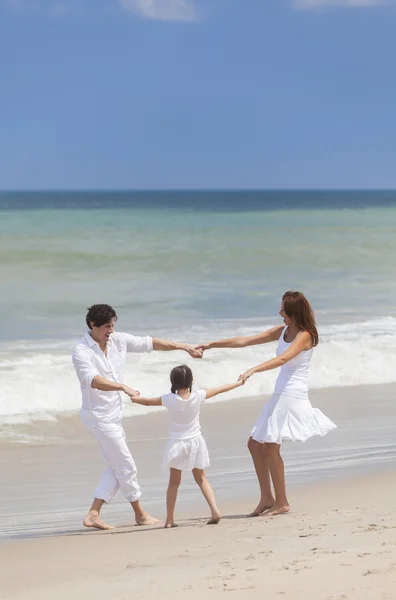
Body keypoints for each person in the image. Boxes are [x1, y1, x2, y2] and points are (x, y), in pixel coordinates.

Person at [197, 291, 336, 517]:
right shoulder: (283, 331)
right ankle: (267, 498)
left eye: (283, 308)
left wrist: (254, 369)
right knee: (255, 444)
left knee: (270, 446)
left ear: (292, 311)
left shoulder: (305, 335)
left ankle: (282, 502)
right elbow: (246, 340)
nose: (279, 312)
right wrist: (212, 344)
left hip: (293, 394)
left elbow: (283, 359)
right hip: (280, 392)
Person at [72, 304, 203, 531]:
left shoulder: (118, 340)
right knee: (127, 466)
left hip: (114, 416)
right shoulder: (81, 351)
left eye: (113, 325)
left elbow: (150, 343)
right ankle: (140, 514)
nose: (110, 331)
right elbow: (93, 380)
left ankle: (94, 513)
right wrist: (122, 386)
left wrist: (185, 347)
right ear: (92, 325)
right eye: (106, 327)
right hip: (98, 417)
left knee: (117, 465)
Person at [131, 364, 244, 528]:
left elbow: (148, 402)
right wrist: (239, 383)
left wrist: (134, 397)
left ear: (173, 382)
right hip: (195, 442)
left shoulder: (169, 399)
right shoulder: (198, 396)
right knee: (201, 478)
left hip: (177, 444)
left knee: (174, 482)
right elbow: (220, 389)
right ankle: (214, 510)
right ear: (190, 381)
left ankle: (169, 520)